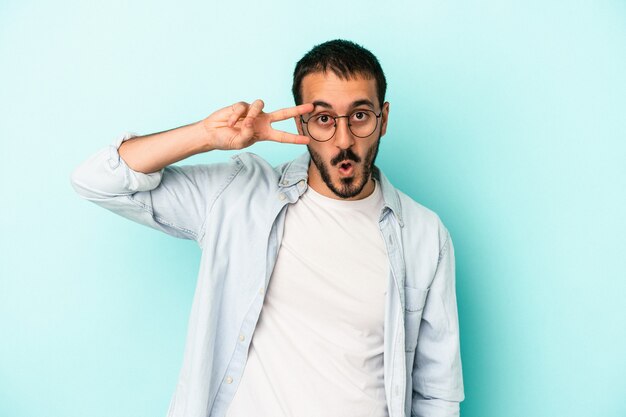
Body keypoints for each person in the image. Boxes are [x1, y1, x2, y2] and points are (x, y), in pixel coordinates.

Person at [70, 39, 464, 417]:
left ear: (383, 119)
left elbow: (437, 393)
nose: (343, 140)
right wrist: (206, 136)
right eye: (324, 119)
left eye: (360, 115)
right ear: (302, 121)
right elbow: (98, 181)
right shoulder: (238, 196)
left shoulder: (424, 235)